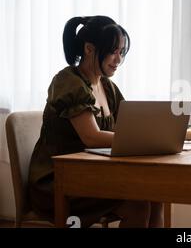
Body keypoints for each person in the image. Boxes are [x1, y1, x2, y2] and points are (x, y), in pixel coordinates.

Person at [28, 16, 163, 228]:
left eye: (122, 52)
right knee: (138, 204)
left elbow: (126, 128)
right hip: (58, 181)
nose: (118, 59)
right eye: (113, 51)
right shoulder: (68, 82)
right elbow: (91, 137)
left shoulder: (108, 87)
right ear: (89, 49)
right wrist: (144, 140)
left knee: (156, 194)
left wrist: (152, 134)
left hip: (92, 174)